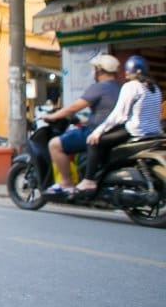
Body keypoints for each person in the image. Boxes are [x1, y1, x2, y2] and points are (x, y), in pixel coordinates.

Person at [74, 55, 162, 199]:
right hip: (153, 133)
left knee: (93, 142)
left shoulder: (132, 86)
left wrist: (98, 131)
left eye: (128, 70)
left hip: (135, 132)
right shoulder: (155, 88)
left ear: (133, 71)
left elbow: (119, 115)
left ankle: (88, 181)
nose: (126, 73)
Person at [41, 54, 121, 196]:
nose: (93, 72)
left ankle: (66, 183)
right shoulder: (120, 88)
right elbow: (106, 113)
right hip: (114, 132)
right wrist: (83, 120)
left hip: (96, 132)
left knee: (55, 144)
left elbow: (74, 107)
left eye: (94, 69)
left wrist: (52, 116)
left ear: (99, 70)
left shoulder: (99, 87)